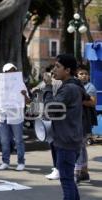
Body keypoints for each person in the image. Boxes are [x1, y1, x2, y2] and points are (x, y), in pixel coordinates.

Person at [43, 54, 86, 200]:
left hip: (66, 141)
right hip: (71, 139)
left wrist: (48, 86)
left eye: (57, 66)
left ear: (67, 70)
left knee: (66, 180)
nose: (54, 70)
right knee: (69, 179)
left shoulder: (68, 89)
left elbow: (51, 109)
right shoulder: (72, 87)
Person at [0, 63, 30, 171]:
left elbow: (28, 101)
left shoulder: (20, 84)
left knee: (18, 140)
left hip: (16, 116)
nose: (10, 72)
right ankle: (5, 161)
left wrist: (24, 95)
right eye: (8, 71)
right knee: (4, 140)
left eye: (13, 70)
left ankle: (21, 162)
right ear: (4, 73)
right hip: (2, 115)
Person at [75, 66, 97, 183]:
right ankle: (84, 173)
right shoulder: (75, 86)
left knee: (79, 146)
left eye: (85, 74)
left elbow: (93, 102)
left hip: (85, 121)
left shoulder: (90, 87)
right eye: (81, 74)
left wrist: (78, 100)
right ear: (76, 75)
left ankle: (78, 172)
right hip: (76, 120)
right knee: (81, 147)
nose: (84, 75)